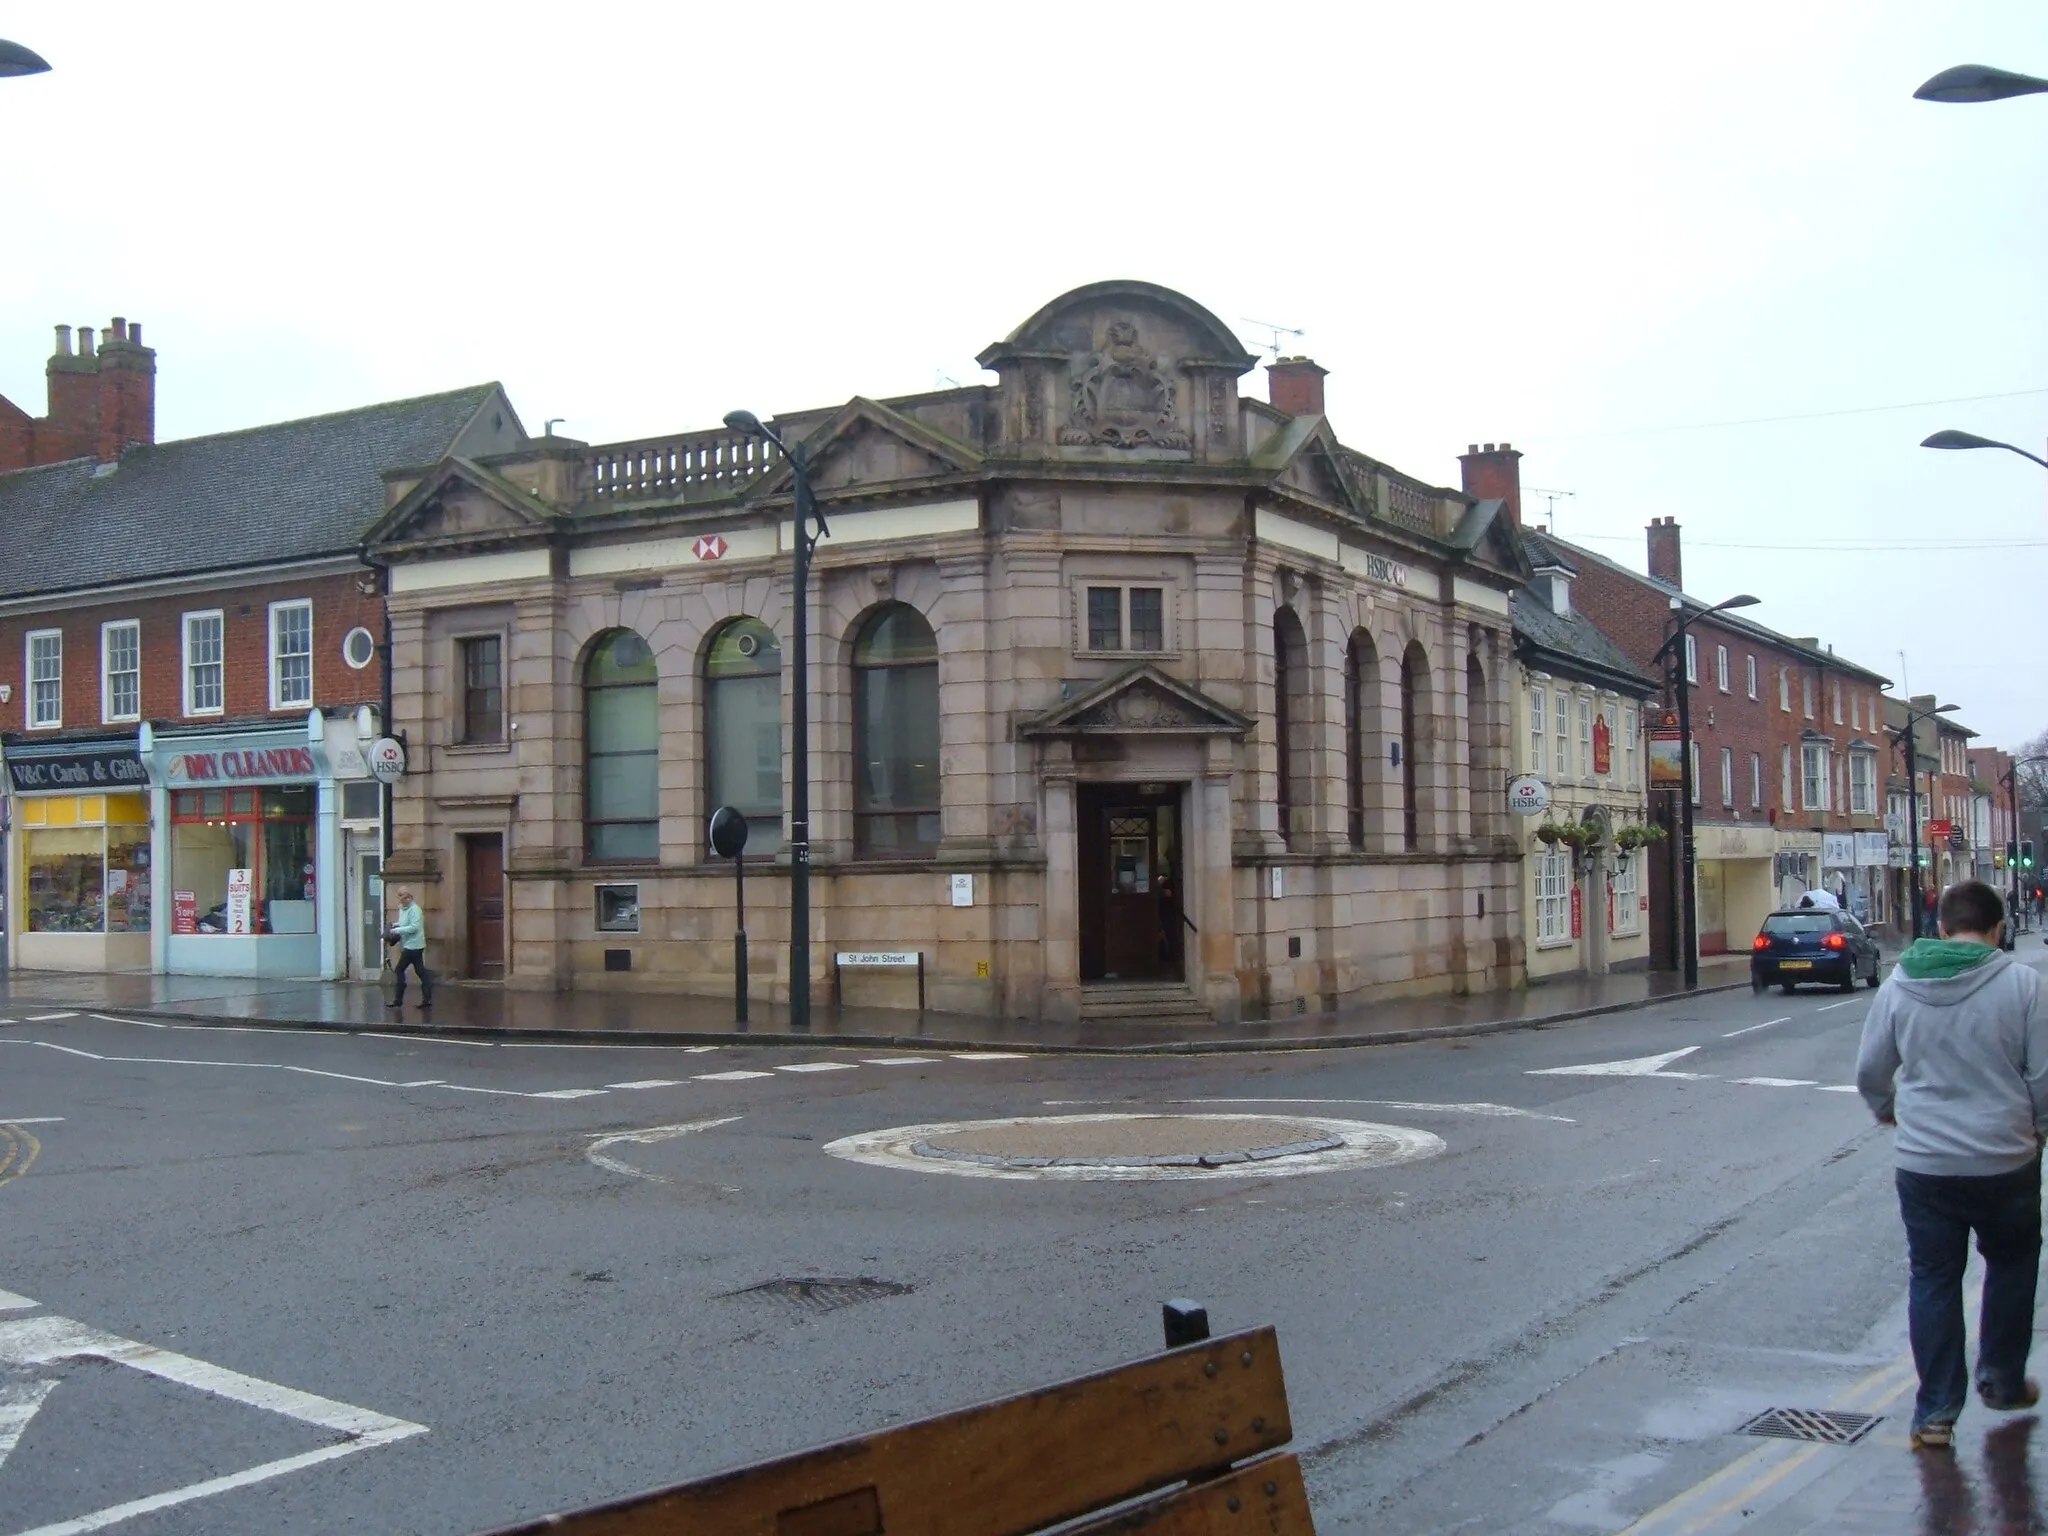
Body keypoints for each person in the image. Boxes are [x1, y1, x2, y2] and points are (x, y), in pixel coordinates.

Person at [1857, 879, 2048, 1450]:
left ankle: (1936, 1411)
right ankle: (2002, 1380)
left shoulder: (1899, 985)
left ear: (1942, 927)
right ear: (1996, 930)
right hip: (2005, 1157)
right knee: (2013, 1264)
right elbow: (2042, 1076)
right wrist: (2037, 1128)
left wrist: (1890, 1111)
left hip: (1925, 1163)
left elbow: (1870, 1070)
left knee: (1934, 1278)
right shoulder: (2022, 985)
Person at [387, 888, 433, 1010]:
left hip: (414, 946)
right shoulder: (403, 909)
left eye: (403, 896)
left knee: (399, 970)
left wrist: (397, 930)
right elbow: (404, 923)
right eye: (399, 896)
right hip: (409, 945)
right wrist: (396, 925)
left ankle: (398, 1000)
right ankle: (427, 999)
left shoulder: (415, 910)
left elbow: (414, 928)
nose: (400, 899)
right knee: (421, 972)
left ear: (409, 898)